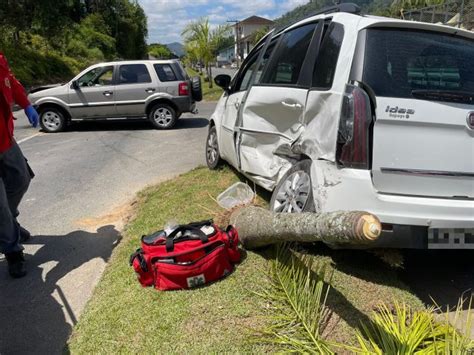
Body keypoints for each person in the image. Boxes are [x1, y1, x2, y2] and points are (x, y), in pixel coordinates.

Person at [0, 52, 39, 278]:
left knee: (22, 178)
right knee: (0, 206)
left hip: (5, 138)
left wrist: (26, 104)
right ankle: (12, 251)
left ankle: (9, 223)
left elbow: (10, 81)